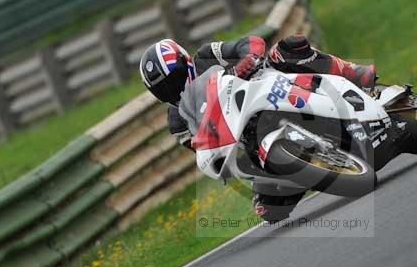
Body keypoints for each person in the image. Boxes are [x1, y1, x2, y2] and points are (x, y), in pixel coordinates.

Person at [139, 35, 377, 223]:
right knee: (268, 209)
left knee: (287, 47)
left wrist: (247, 59)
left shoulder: (206, 55)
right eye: (164, 88)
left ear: (187, 63)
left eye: (175, 78)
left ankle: (354, 73)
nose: (174, 89)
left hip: (272, 89)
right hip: (251, 141)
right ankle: (309, 164)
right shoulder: (178, 123)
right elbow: (208, 151)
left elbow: (250, 42)